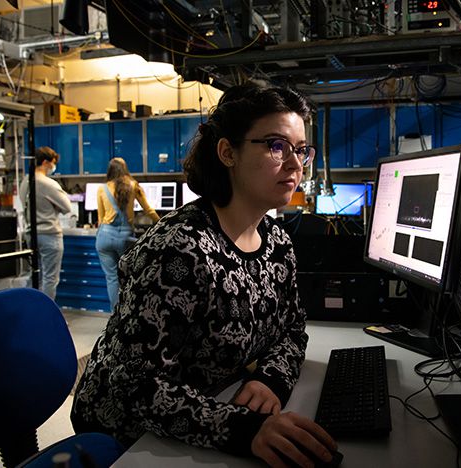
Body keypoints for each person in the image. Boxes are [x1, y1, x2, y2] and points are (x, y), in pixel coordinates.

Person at [71, 82, 338, 467]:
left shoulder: (277, 242)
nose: (295, 165)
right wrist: (244, 429)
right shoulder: (179, 249)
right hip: (128, 436)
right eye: (276, 146)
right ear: (228, 152)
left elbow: (292, 330)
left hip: (211, 401)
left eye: (300, 150)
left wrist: (270, 379)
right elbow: (134, 387)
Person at [95, 157, 160, 309]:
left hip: (104, 237)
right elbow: (149, 210)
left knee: (112, 279)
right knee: (130, 278)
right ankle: (130, 315)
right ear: (125, 169)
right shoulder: (133, 185)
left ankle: (115, 317)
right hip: (125, 238)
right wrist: (163, 222)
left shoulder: (102, 189)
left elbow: (100, 218)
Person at [19, 146, 72, 300]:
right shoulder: (49, 184)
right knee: (50, 278)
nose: (53, 167)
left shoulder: (25, 182)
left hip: (31, 234)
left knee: (35, 275)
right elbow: (67, 207)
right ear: (45, 162)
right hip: (50, 235)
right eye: (52, 163)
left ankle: (27, 311)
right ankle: (47, 316)